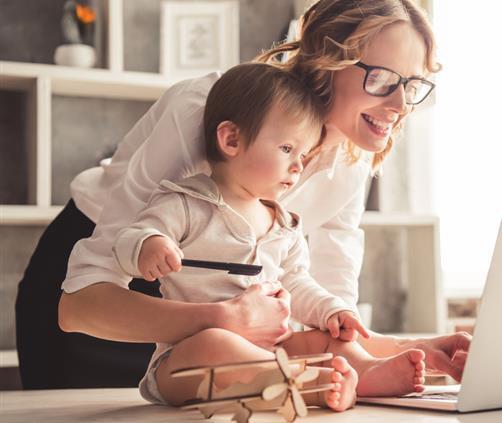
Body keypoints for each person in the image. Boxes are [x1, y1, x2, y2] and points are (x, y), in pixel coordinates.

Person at [16, 0, 470, 390]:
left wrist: (408, 351)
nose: (399, 106)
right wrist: (224, 319)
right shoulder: (210, 111)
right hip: (109, 294)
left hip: (224, 334)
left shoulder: (351, 159)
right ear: (326, 58)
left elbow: (328, 314)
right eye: (383, 79)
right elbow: (78, 307)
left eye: (411, 86)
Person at [114, 62, 427, 408]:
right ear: (231, 139)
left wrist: (331, 310)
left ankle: (365, 371)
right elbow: (131, 236)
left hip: (271, 349)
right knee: (216, 343)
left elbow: (297, 282)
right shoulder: (187, 203)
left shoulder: (284, 225)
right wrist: (148, 244)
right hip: (186, 360)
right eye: (287, 149)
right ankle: (305, 384)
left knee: (324, 338)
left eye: (303, 154)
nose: (298, 166)